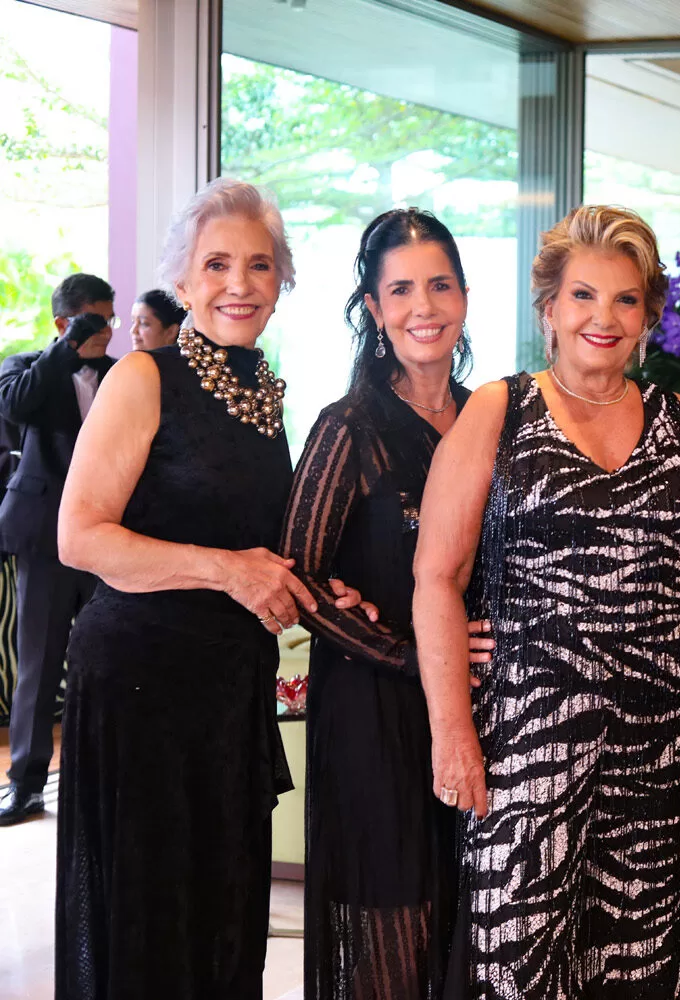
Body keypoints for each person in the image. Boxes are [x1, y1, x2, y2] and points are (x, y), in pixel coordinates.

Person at [52, 177, 364, 998]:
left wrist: (327, 587)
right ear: (182, 283)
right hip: (142, 689)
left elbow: (254, 539)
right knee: (155, 927)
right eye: (216, 264)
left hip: (227, 690)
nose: (239, 284)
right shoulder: (144, 376)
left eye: (259, 265)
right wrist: (229, 571)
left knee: (223, 922)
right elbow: (79, 538)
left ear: (281, 281)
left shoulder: (262, 392)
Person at [413, 204, 680, 998]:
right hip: (528, 748)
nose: (602, 318)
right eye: (582, 296)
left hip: (659, 754)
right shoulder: (500, 408)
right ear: (548, 308)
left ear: (648, 315)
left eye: (625, 299)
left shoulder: (677, 421)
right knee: (518, 958)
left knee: (641, 959)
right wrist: (453, 733)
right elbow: (436, 577)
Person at [282, 208, 490, 999]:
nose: (423, 307)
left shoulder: (491, 419)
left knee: (469, 931)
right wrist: (413, 655)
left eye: (440, 285)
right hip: (375, 713)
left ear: (464, 296)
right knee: (394, 941)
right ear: (373, 308)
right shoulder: (349, 428)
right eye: (400, 290)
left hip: (482, 711)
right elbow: (299, 579)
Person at [0, 272, 115, 826]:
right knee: (40, 665)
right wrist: (66, 350)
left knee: (108, 661)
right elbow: (15, 407)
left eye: (110, 319)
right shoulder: (26, 367)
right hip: (46, 539)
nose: (106, 330)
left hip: (109, 542)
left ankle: (100, 780)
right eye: (95, 320)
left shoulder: (122, 375)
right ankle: (25, 785)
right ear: (64, 323)